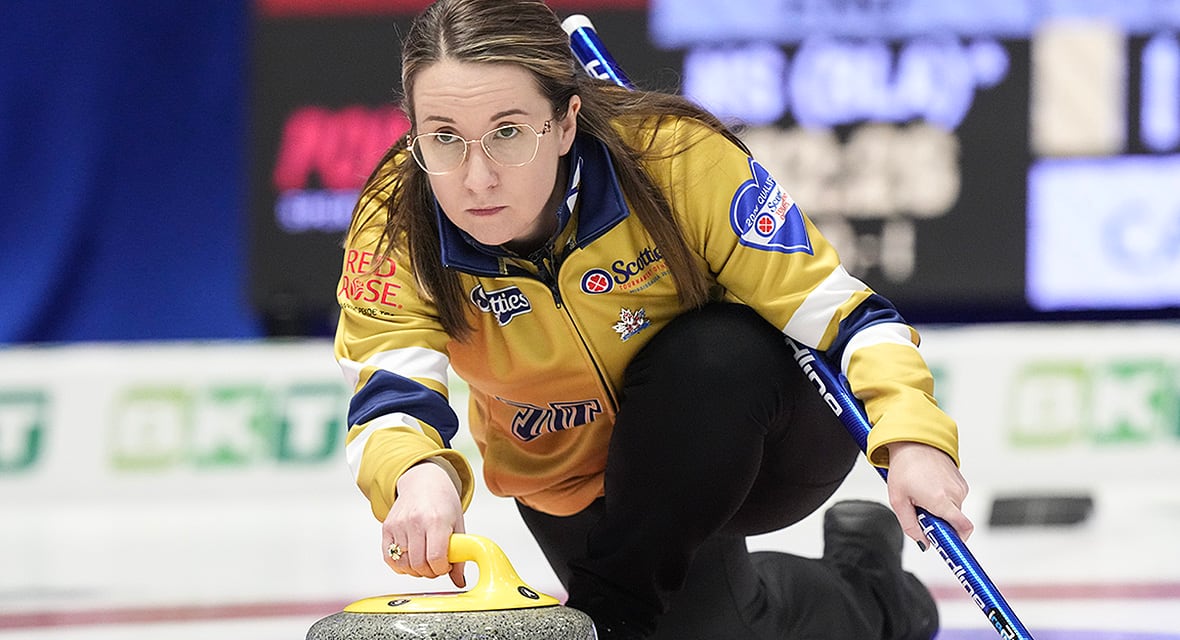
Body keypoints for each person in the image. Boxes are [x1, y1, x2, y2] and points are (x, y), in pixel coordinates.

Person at [332, 0, 973, 637]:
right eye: (443, 137)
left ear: (564, 123)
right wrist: (417, 475)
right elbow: (387, 388)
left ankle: (612, 616)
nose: (476, 178)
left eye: (508, 132)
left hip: (750, 433)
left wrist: (914, 436)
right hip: (580, 476)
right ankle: (874, 587)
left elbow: (845, 315)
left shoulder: (673, 160)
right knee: (726, 628)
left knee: (713, 354)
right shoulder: (398, 221)